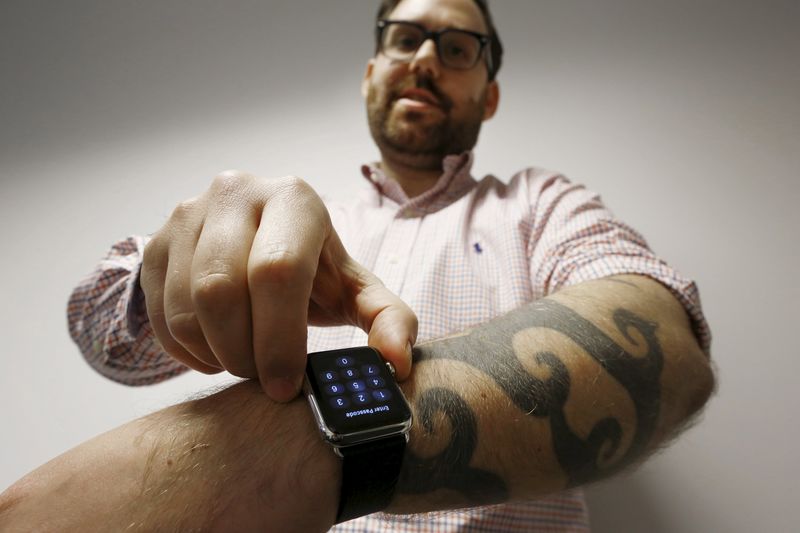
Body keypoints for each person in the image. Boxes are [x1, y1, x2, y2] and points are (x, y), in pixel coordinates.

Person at [0, 0, 715, 531]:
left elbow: (664, 347)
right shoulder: (283, 227)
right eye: (405, 38)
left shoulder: (544, 204)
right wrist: (174, 277)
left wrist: (272, 455)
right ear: (373, 71)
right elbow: (106, 343)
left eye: (458, 47)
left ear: (488, 95)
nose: (426, 59)